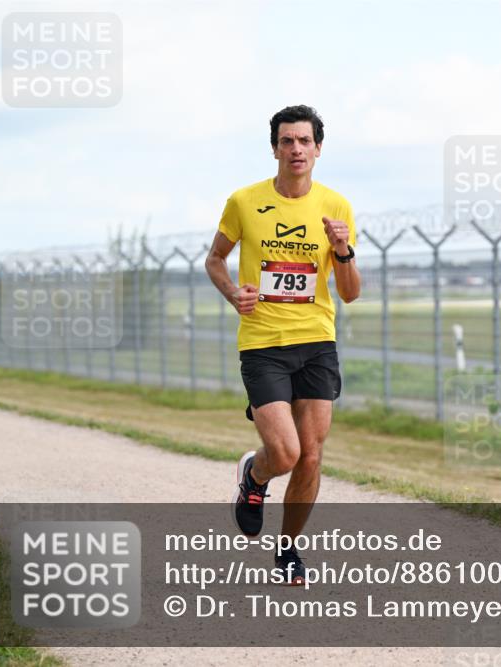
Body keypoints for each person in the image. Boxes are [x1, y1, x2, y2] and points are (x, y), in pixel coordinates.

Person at [205, 104, 360, 585]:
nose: (296, 149)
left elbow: (351, 292)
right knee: (287, 453)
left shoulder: (336, 207)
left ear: (318, 148)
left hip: (317, 340)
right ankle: (255, 476)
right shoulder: (244, 202)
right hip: (263, 342)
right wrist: (234, 294)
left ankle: (288, 550)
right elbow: (214, 260)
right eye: (287, 141)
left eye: (305, 141)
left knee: (311, 455)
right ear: (274, 147)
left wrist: (342, 250)